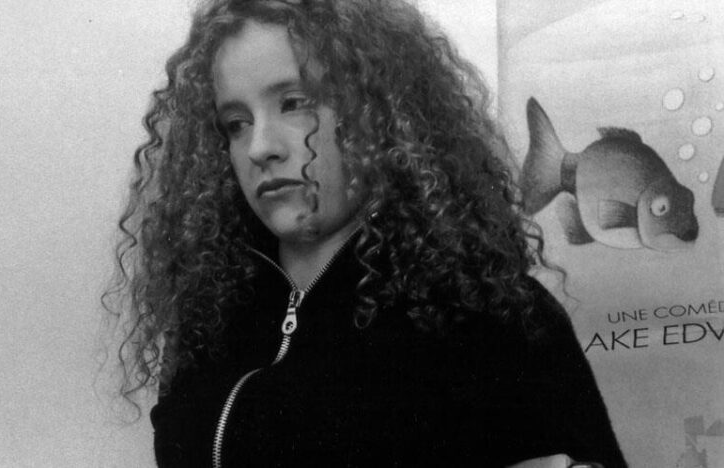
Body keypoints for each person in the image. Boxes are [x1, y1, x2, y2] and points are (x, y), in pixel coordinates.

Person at [105, 0, 628, 466]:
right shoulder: (209, 315)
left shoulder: (495, 315)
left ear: (379, 112)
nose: (260, 146)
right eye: (236, 123)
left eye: (294, 102)